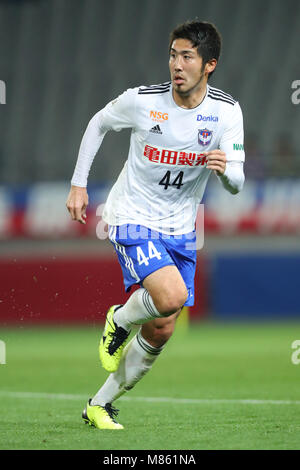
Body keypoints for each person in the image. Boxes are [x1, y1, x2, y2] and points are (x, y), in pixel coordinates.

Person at [66, 20, 245, 430]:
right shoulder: (143, 102)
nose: (176, 65)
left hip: (181, 228)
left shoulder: (225, 112)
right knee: (170, 296)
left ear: (209, 64)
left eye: (187, 57)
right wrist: (79, 184)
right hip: (131, 216)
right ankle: (120, 319)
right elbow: (98, 123)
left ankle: (99, 404)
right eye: (172, 55)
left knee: (163, 326)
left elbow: (237, 183)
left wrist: (226, 173)